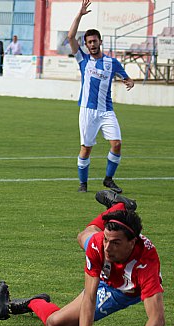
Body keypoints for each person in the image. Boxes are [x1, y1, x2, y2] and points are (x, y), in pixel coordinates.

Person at [17, 190, 164, 326]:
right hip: (105, 277)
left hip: (123, 291)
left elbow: (157, 319)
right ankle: (117, 207)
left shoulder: (146, 264)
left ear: (132, 242)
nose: (108, 248)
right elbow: (90, 295)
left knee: (55, 323)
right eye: (106, 239)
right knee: (83, 237)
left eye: (115, 243)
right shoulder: (98, 245)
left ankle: (118, 208)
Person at [69, 0, 134, 193]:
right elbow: (71, 36)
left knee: (117, 144)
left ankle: (108, 179)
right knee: (86, 148)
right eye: (89, 42)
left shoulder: (111, 62)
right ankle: (83, 183)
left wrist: (129, 81)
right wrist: (80, 14)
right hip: (87, 110)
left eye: (95, 41)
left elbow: (126, 77)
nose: (92, 45)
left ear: (100, 42)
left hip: (107, 110)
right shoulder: (83, 60)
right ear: (86, 45)